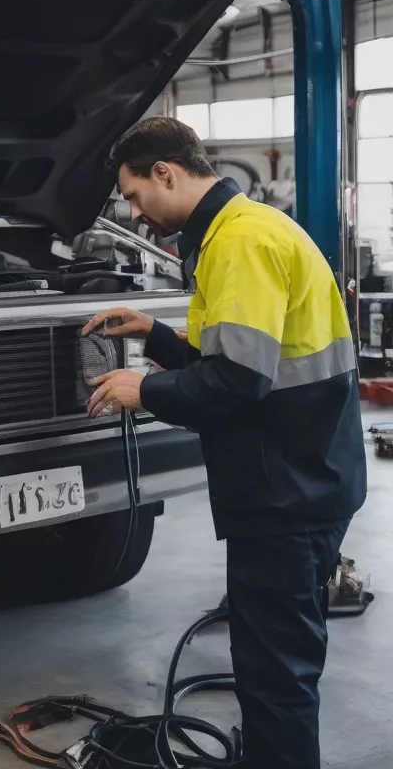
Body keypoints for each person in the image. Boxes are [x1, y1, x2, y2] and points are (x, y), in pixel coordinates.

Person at [81, 116, 366, 769]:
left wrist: (143, 390)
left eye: (133, 195)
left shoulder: (238, 244)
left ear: (165, 173)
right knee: (270, 662)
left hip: (288, 492)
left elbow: (238, 381)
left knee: (277, 675)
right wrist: (154, 334)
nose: (135, 211)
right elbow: (235, 359)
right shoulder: (243, 230)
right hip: (302, 474)